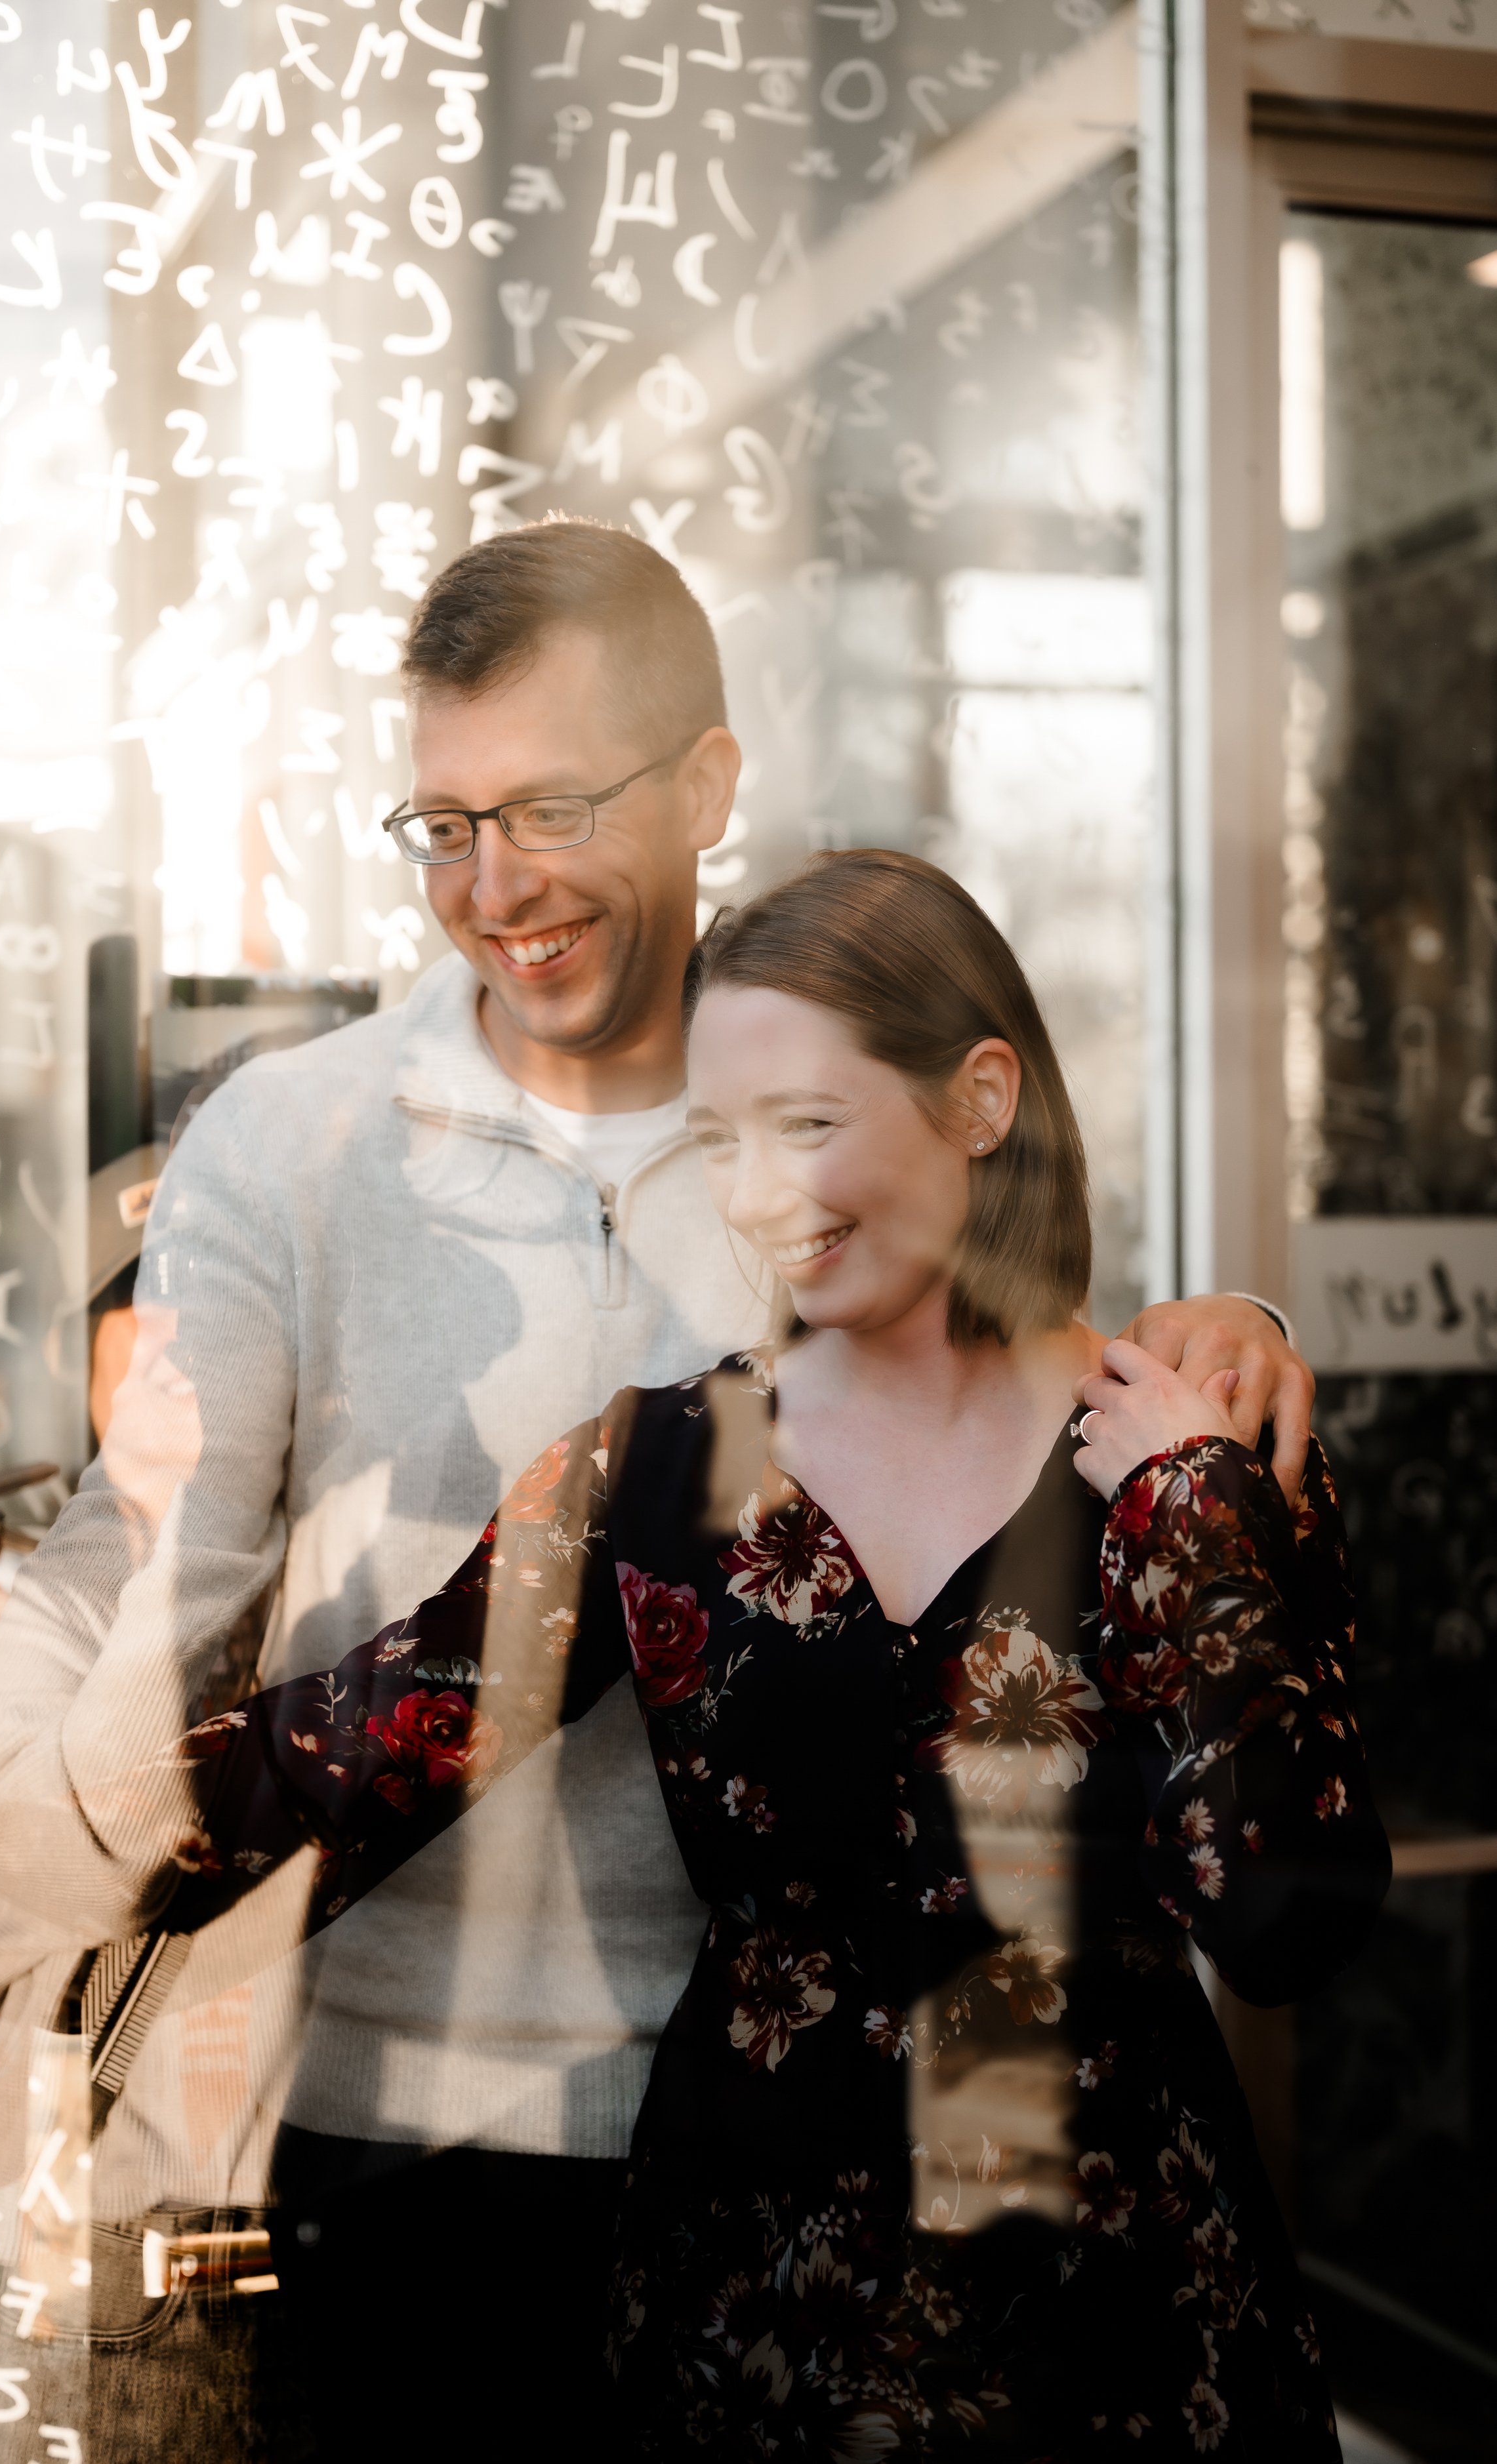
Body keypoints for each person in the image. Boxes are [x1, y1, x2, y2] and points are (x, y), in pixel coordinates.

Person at [0, 524, 1318, 2460]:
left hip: (1018, 2250)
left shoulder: (877, 1135)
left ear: (704, 786)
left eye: (549, 806)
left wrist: (1222, 1376)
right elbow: (226, 1624)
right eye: (441, 823)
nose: (494, 884)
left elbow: (1086, 1489)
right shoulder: (305, 1155)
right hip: (440, 2141)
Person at [159, 849, 1390, 2457]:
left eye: (804, 1125)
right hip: (747, 2343)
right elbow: (334, 1762)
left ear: (978, 1098)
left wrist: (1185, 1504)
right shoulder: (667, 1465)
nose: (754, 1195)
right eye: (722, 1141)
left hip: (1131, 2346)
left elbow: (1284, 1916)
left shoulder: (1189, 1460)